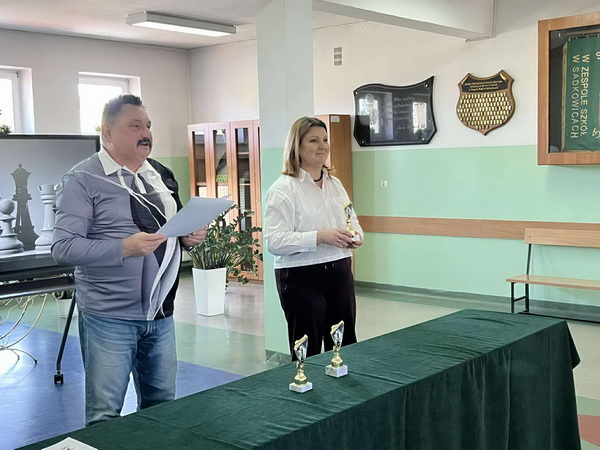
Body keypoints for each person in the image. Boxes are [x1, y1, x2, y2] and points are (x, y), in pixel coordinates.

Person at [52, 94, 206, 425]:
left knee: (162, 407)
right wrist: (123, 248)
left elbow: (174, 229)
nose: (146, 133)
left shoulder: (161, 174)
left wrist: (189, 237)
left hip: (161, 314)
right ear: (107, 131)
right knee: (105, 414)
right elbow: (64, 247)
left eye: (148, 126)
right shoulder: (82, 179)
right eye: (135, 126)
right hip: (109, 316)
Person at [263, 116, 363, 359]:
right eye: (314, 140)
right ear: (296, 146)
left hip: (340, 271)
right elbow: (275, 242)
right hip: (301, 277)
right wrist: (319, 237)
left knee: (344, 343)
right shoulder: (283, 189)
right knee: (308, 348)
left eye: (325, 140)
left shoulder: (335, 184)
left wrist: (356, 237)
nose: (322, 146)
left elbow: (352, 220)